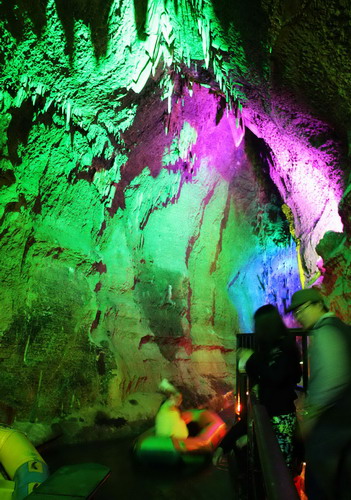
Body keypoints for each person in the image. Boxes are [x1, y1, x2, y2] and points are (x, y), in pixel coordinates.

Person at [287, 288, 351, 500]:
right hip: (344, 428)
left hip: (331, 429)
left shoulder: (325, 332)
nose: (298, 316)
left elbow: (331, 378)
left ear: (317, 304)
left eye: (302, 310)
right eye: (295, 313)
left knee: (321, 488)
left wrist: (309, 417)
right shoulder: (345, 329)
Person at [237, 304, 302, 469]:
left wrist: (252, 358)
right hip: (272, 410)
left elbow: (276, 377)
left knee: (280, 464)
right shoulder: (271, 346)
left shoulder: (284, 347)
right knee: (270, 460)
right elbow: (259, 372)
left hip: (281, 414)